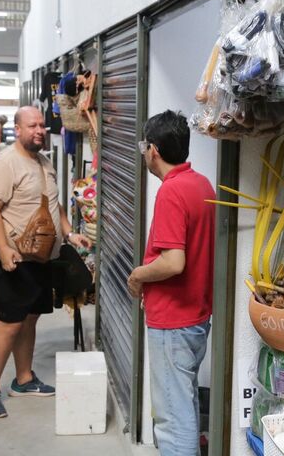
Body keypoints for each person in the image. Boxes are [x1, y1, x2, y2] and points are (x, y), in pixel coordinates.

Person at [0, 106, 91, 418]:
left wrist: (69, 234)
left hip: (43, 257)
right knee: (9, 323)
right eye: (32, 126)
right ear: (17, 128)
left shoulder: (44, 161)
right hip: (15, 258)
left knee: (29, 318)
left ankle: (24, 379)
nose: (39, 130)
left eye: (42, 124)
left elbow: (53, 203)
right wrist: (3, 248)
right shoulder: (5, 162)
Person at [127, 110, 215, 455]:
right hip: (194, 319)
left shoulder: (172, 192)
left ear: (154, 150)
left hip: (173, 323)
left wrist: (137, 274)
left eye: (143, 147)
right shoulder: (201, 184)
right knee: (184, 404)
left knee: (171, 419)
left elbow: (173, 262)